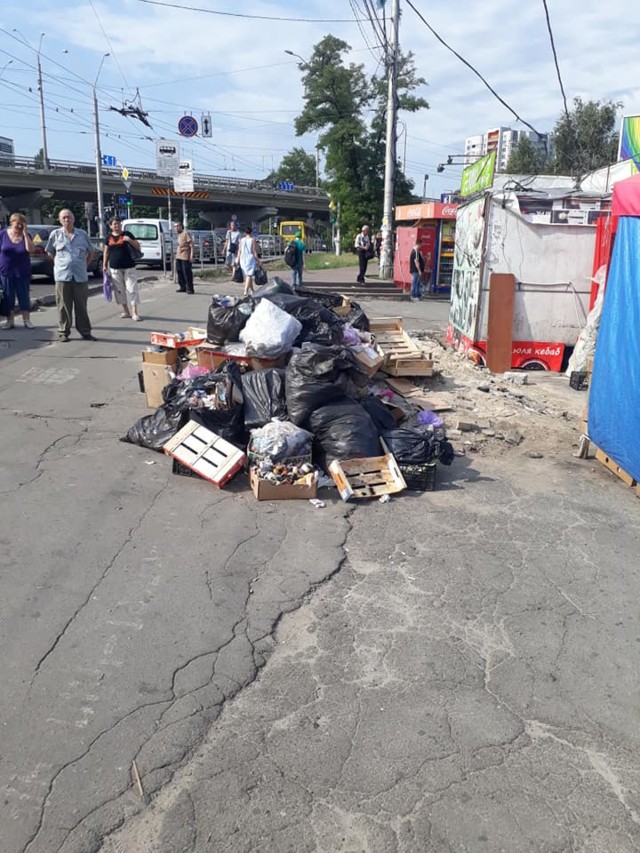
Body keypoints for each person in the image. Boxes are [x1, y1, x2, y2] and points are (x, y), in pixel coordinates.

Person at [45, 209, 96, 342]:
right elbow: (50, 252)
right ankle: (63, 332)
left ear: (73, 219)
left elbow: (91, 252)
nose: (67, 220)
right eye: (64, 218)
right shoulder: (55, 234)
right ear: (60, 220)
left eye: (69, 217)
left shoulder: (82, 234)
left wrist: (83, 265)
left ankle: (85, 332)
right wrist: (60, 264)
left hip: (80, 276)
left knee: (81, 306)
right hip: (62, 276)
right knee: (63, 305)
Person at [103, 218, 143, 321]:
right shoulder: (108, 238)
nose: (117, 226)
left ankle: (135, 312)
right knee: (119, 290)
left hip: (129, 267)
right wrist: (104, 265)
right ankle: (126, 311)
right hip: (114, 268)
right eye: (115, 224)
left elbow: (138, 247)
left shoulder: (127, 234)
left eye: (119, 224)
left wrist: (129, 240)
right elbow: (106, 252)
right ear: (110, 226)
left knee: (132, 289)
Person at [0, 212, 34, 330]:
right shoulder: (3, 235)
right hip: (6, 271)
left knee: (23, 295)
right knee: (8, 296)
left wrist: (25, 234)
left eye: (22, 224)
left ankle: (26, 320)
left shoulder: (26, 235)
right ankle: (10, 321)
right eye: (17, 224)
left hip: (22, 271)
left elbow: (30, 250)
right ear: (11, 223)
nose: (19, 227)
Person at [238, 225, 261, 296]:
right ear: (251, 232)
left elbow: (239, 250)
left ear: (245, 233)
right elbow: (254, 251)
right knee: (249, 275)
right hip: (250, 258)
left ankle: (252, 290)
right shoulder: (253, 239)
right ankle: (245, 290)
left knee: (248, 275)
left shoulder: (242, 240)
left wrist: (237, 259)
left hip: (242, 258)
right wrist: (258, 261)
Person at [175, 222, 194, 294]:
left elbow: (191, 245)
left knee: (187, 272)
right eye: (175, 227)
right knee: (179, 271)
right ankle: (182, 287)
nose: (176, 228)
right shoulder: (178, 235)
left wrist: (191, 256)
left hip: (185, 256)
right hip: (179, 255)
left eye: (178, 226)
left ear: (181, 226)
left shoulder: (185, 233)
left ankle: (190, 288)